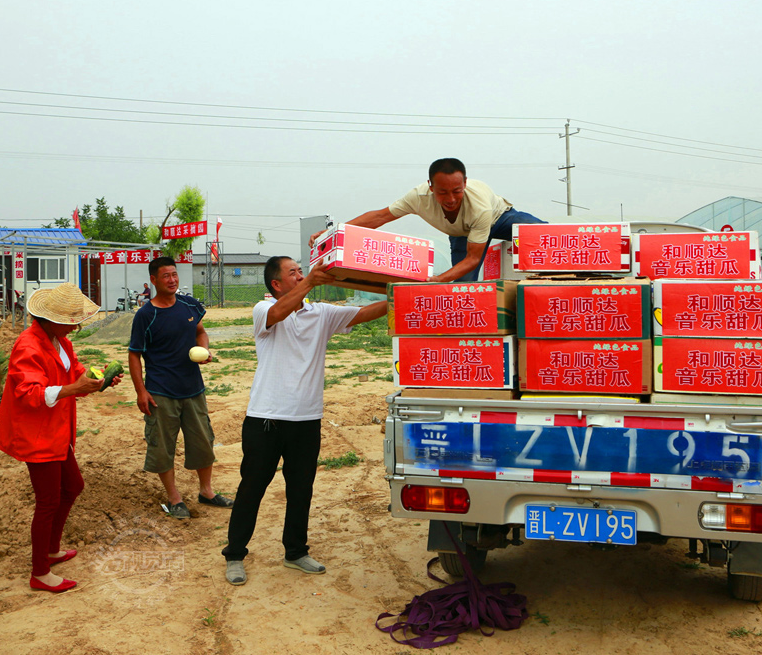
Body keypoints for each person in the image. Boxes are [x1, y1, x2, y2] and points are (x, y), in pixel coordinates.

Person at [221, 257, 387, 586]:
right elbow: (278, 313)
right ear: (276, 285)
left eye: (301, 270)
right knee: (252, 488)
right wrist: (311, 281)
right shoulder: (262, 310)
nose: (300, 275)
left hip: (306, 419)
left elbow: (365, 313)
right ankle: (235, 554)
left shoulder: (320, 313)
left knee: (301, 490)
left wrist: (399, 295)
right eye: (293, 273)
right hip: (265, 418)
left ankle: (295, 551)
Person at [0, 282, 121, 593]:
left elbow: (75, 372)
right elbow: (29, 393)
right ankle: (39, 572)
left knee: (73, 486)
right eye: (71, 321)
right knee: (47, 500)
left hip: (57, 430)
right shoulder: (28, 346)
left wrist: (98, 379)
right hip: (38, 435)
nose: (75, 327)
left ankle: (51, 550)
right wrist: (74, 389)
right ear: (50, 319)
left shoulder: (58, 341)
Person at [309, 158, 545, 282]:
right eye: (443, 192)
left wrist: (439, 278)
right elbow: (380, 216)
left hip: (498, 218)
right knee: (461, 286)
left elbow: (474, 258)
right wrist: (331, 234)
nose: (451, 199)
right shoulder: (418, 197)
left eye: (457, 191)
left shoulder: (479, 205)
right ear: (431, 187)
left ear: (465, 183)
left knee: (543, 234)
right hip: (462, 234)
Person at [128, 256, 232, 520]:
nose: (172, 280)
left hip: (193, 388)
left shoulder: (188, 304)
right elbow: (134, 355)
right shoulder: (145, 315)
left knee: (203, 442)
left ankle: (206, 492)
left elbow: (200, 331)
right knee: (163, 447)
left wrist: (205, 349)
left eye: (174, 274)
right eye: (166, 276)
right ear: (153, 280)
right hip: (161, 392)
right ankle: (175, 498)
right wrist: (141, 391)